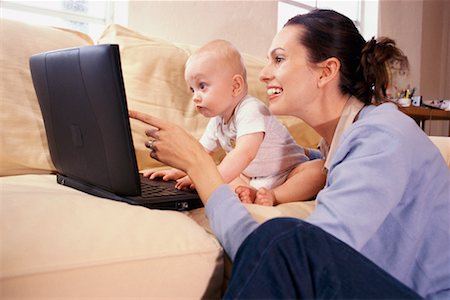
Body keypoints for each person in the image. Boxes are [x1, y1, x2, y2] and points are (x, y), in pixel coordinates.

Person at [130, 9, 450, 300]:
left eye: (279, 59)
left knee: (289, 239)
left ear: (326, 72)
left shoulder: (382, 136)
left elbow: (302, 259)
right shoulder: (341, 143)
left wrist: (199, 166)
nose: (265, 74)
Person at [144, 39, 326, 205]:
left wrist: (206, 179)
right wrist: (182, 170)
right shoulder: (217, 120)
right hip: (252, 178)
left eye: (202, 86)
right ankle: (252, 193)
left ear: (235, 86)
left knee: (318, 171)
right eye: (192, 90)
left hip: (288, 173)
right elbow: (200, 155)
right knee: (225, 174)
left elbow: (245, 153)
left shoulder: (251, 109)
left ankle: (276, 196)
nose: (195, 97)